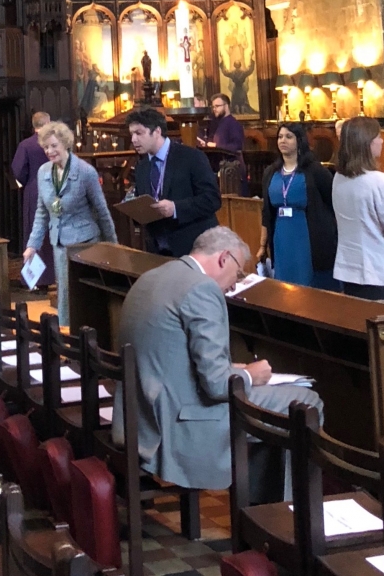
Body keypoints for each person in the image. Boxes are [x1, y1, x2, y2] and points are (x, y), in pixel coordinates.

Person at [115, 225, 323, 491]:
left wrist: (232, 368)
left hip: (142, 417)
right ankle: (288, 510)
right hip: (179, 424)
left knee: (276, 411)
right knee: (306, 402)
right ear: (224, 258)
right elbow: (215, 385)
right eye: (238, 273)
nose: (235, 284)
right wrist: (250, 375)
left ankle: (260, 500)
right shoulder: (202, 288)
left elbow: (168, 354)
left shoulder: (153, 276)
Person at [22, 120, 117, 327]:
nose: (49, 151)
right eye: (46, 147)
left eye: (53, 146)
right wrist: (32, 245)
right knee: (64, 294)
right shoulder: (43, 172)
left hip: (85, 244)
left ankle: (85, 336)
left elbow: (102, 212)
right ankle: (67, 334)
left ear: (66, 143)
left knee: (81, 297)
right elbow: (42, 213)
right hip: (59, 243)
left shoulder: (85, 172)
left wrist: (113, 247)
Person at [331, 116, 384, 303]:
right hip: (382, 272)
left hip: (351, 270)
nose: (382, 141)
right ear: (367, 143)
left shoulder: (339, 178)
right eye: (378, 137)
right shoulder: (378, 181)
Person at [127, 105, 221, 256]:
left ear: (157, 131)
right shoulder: (142, 166)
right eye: (132, 134)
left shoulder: (191, 157)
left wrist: (175, 208)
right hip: (158, 249)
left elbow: (212, 199)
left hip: (194, 247)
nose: (134, 140)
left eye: (139, 133)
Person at [256, 121, 338, 288]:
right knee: (285, 282)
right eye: (280, 137)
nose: (283, 140)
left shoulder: (315, 171)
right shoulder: (271, 172)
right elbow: (266, 211)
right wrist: (262, 245)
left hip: (307, 234)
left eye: (288, 137)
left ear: (299, 140)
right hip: (281, 234)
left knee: (307, 281)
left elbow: (332, 203)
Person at [12, 110, 54, 288]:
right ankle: (53, 277)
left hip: (34, 191)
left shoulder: (26, 145)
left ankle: (35, 279)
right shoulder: (54, 143)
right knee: (52, 232)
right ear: (48, 123)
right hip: (54, 189)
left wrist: (28, 182)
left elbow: (17, 170)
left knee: (34, 232)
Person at [198, 92, 248, 193]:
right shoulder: (217, 123)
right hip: (220, 169)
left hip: (232, 170)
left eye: (217, 106)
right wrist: (206, 144)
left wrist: (216, 145)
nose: (214, 109)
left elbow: (236, 146)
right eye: (213, 107)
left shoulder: (234, 124)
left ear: (226, 106)